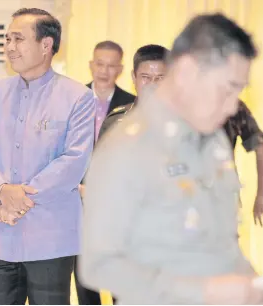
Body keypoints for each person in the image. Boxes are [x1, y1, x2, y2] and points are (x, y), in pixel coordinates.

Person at [80, 13, 262, 304]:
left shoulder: (212, 141)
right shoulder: (124, 146)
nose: (232, 107)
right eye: (227, 89)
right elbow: (100, 265)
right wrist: (201, 291)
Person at [0, 8, 95, 305]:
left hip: (50, 237)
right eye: (8, 39)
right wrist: (1, 190)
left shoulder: (78, 97)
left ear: (46, 45)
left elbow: (73, 161)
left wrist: (19, 199)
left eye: (18, 39)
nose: (9, 46)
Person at [98, 44, 169, 137]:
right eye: (145, 77)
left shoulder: (184, 123)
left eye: (160, 78)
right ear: (134, 77)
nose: (152, 84)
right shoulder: (115, 122)